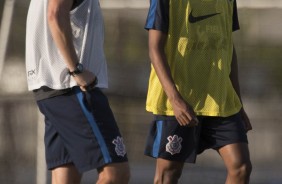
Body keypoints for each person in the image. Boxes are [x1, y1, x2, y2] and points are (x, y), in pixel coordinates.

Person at [144, 0, 252, 183]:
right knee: (168, 174)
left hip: (220, 101)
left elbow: (228, 46)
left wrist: (238, 102)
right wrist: (175, 99)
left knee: (241, 168)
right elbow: (155, 48)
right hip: (178, 102)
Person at [25, 0, 130, 183]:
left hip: (54, 89)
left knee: (66, 177)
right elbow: (55, 14)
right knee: (116, 174)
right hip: (73, 88)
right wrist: (76, 70)